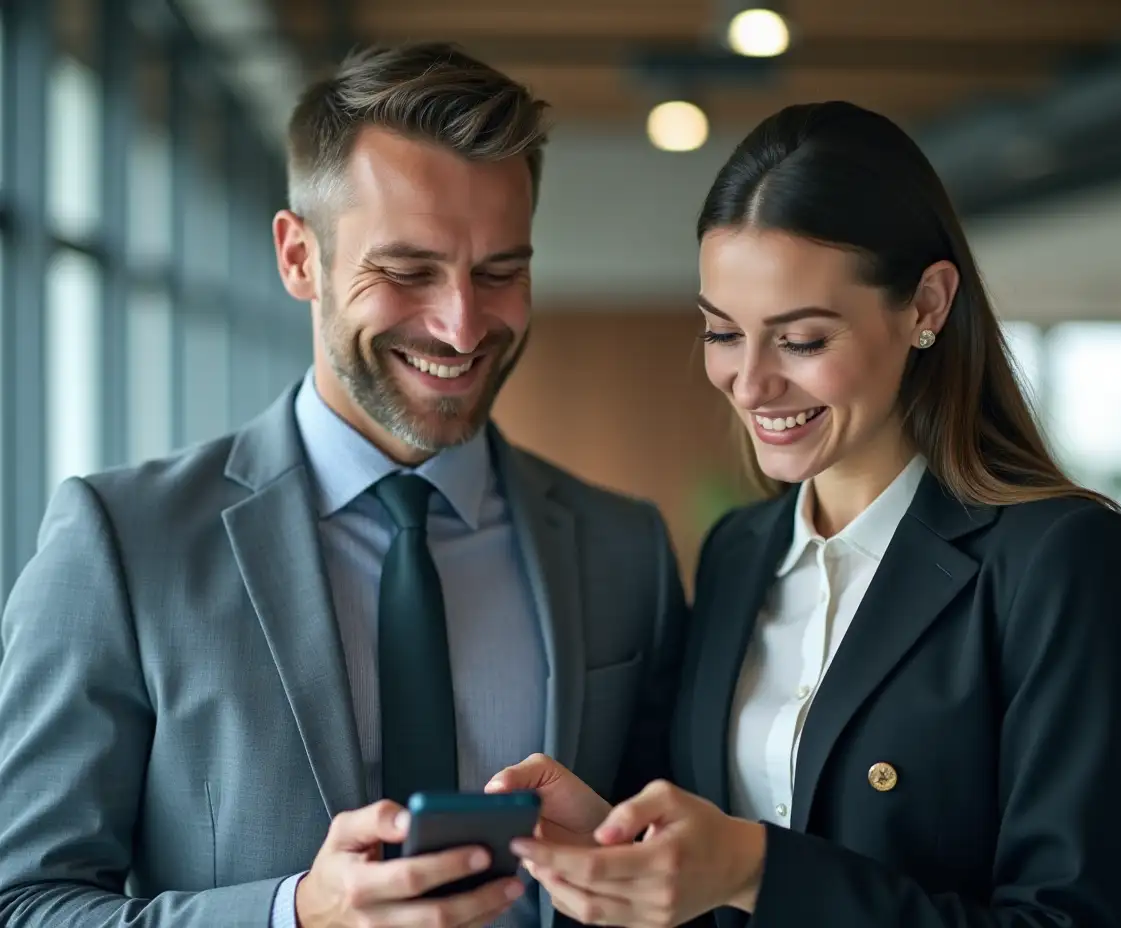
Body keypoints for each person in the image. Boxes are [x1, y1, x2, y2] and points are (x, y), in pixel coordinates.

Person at [0, 42, 688, 928]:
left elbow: (678, 881)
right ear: (299, 258)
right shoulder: (123, 543)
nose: (461, 325)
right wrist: (293, 914)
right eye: (406, 272)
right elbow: (22, 903)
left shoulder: (624, 548)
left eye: (500, 273)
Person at [489, 100, 1121, 927]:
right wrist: (621, 848)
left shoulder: (1061, 559)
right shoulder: (740, 551)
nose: (750, 382)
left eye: (802, 340)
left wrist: (758, 869)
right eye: (721, 333)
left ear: (927, 305)